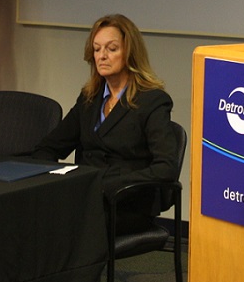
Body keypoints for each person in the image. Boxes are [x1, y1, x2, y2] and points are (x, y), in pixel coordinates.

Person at [33, 14, 179, 234]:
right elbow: (48, 147)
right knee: (32, 212)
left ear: (129, 53)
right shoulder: (89, 99)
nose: (102, 56)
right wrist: (53, 179)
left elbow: (166, 167)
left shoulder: (152, 101)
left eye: (111, 49)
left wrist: (109, 185)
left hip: (126, 203)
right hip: (85, 195)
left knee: (61, 223)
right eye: (97, 49)